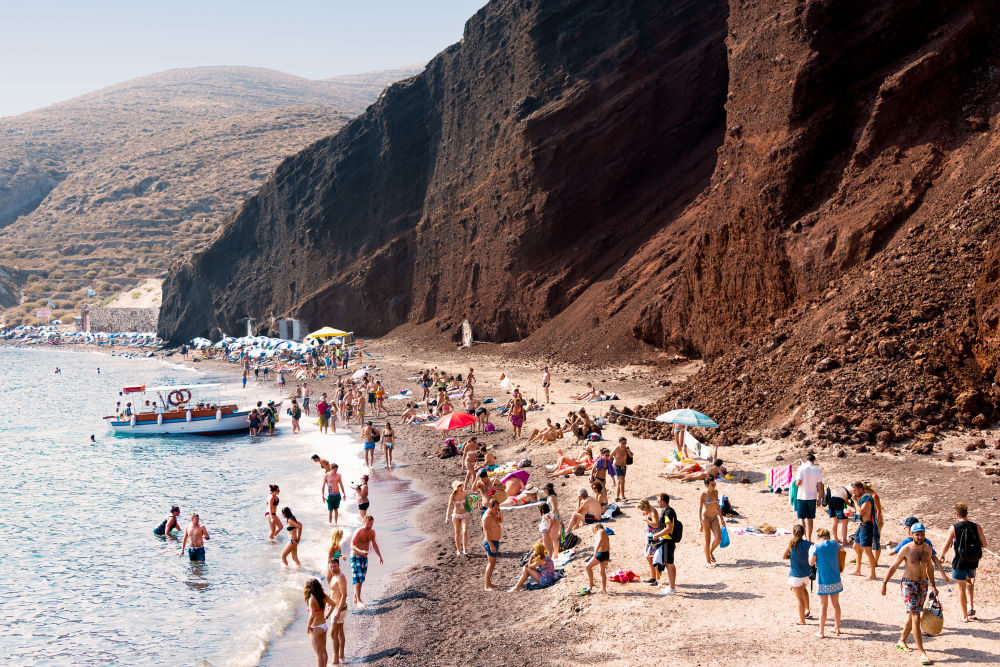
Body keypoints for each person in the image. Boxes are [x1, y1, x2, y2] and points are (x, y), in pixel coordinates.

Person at [881, 522, 937, 662]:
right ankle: (922, 653)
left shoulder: (928, 549)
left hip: (923, 585)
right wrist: (884, 583)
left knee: (913, 615)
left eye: (922, 534)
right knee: (916, 615)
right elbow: (894, 566)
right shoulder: (906, 549)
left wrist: (933, 585)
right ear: (912, 535)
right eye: (917, 534)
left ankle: (901, 640)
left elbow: (930, 568)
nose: (920, 537)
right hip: (909, 585)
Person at [941, 502, 988, 623]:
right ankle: (971, 608)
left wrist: (942, 555)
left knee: (960, 588)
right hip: (972, 560)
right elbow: (984, 544)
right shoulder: (976, 526)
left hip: (960, 561)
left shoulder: (954, 528)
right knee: (969, 582)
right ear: (967, 513)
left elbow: (946, 545)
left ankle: (964, 616)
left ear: (956, 514)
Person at [891, 517, 950, 583]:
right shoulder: (927, 542)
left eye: (906, 527)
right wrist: (943, 575)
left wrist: (888, 546)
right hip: (924, 578)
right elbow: (934, 558)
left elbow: (890, 553)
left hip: (910, 579)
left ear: (910, 529)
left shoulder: (905, 542)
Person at [809, 528, 843, 638]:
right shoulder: (835, 544)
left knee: (823, 606)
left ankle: (821, 631)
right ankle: (837, 627)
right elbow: (842, 550)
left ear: (819, 537)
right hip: (835, 578)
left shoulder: (816, 547)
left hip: (823, 580)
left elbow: (811, 562)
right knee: (836, 604)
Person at [350, 515, 383, 607]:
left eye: (371, 524)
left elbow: (374, 544)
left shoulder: (372, 532)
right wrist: (361, 551)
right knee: (358, 578)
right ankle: (359, 600)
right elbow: (351, 546)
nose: (370, 526)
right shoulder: (358, 532)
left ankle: (355, 597)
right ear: (364, 522)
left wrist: (380, 556)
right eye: (368, 524)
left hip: (364, 558)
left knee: (361, 579)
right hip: (355, 556)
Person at [783, 524, 813, 625]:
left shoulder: (791, 544)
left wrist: (792, 558)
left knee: (799, 598)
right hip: (807, 574)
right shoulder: (809, 544)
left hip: (796, 574)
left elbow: (784, 556)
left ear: (793, 533)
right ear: (803, 533)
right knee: (804, 590)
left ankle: (802, 620)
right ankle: (807, 610)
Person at [793, 453, 824, 542]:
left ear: (806, 460)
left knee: (802, 518)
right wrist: (820, 498)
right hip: (812, 496)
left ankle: (801, 538)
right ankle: (809, 538)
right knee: (810, 518)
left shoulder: (801, 468)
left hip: (801, 496)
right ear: (813, 461)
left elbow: (798, 482)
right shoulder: (817, 470)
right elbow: (820, 486)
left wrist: (794, 484)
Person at [850, 481, 877, 579]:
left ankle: (873, 574)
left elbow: (861, 511)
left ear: (861, 489)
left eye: (855, 490)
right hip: (861, 525)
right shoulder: (862, 499)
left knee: (867, 550)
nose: (854, 492)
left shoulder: (867, 498)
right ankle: (858, 570)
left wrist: (855, 501)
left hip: (867, 526)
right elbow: (858, 511)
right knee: (856, 546)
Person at [653, 493, 678, 594]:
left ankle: (671, 589)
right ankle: (672, 587)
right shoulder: (668, 511)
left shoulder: (668, 512)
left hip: (668, 540)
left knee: (669, 564)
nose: (658, 503)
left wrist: (657, 535)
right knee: (670, 564)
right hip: (667, 540)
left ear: (662, 502)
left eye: (658, 501)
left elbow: (669, 528)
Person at [303, 578, 332, 667]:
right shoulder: (323, 596)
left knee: (318, 653)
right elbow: (333, 604)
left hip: (316, 628)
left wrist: (308, 626)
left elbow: (312, 615)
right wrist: (327, 616)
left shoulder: (312, 599)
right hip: (324, 626)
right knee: (323, 651)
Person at [699, 478, 724, 567]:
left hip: (714, 517)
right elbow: (700, 508)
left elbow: (717, 507)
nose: (714, 486)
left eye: (715, 484)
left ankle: (710, 552)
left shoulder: (716, 492)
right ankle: (707, 562)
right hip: (705, 518)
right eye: (712, 485)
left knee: (718, 539)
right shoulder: (703, 494)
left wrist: (722, 519)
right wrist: (700, 523)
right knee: (707, 540)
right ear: (707, 485)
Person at [327, 558, 348, 664]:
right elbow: (332, 592)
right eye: (330, 566)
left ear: (338, 565)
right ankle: (341, 654)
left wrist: (338, 611)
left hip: (340, 608)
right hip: (336, 607)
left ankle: (336, 658)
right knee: (339, 631)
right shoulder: (333, 576)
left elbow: (344, 595)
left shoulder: (340, 577)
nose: (332, 568)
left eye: (334, 566)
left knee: (333, 633)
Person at [446, 481, 474, 556]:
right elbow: (449, 506)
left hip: (465, 514)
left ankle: (464, 549)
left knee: (465, 532)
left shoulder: (465, 493)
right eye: (459, 485)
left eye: (461, 485)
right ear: (456, 487)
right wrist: (447, 518)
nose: (461, 486)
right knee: (457, 533)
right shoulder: (453, 495)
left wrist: (471, 500)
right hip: (456, 516)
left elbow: (470, 501)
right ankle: (458, 549)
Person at [637, 499, 661, 585]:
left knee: (655, 558)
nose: (642, 510)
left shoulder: (653, 512)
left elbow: (655, 524)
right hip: (650, 537)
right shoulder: (648, 511)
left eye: (642, 508)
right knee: (649, 557)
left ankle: (658, 579)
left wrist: (646, 519)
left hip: (655, 538)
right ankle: (653, 577)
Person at [482, 499, 503, 590]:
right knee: (490, 563)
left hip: (495, 541)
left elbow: (501, 521)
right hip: (490, 542)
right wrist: (491, 545)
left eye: (498, 508)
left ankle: (489, 582)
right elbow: (485, 531)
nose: (497, 510)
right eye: (495, 508)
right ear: (490, 507)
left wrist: (499, 513)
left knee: (493, 563)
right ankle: (487, 585)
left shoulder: (494, 513)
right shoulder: (487, 517)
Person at [583, 524, 611, 594]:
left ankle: (591, 583)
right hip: (606, 553)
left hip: (600, 554)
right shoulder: (605, 534)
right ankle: (603, 589)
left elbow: (600, 541)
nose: (594, 533)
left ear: (596, 528)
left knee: (588, 567)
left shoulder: (600, 531)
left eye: (594, 531)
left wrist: (595, 553)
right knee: (602, 572)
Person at [610, 437, 630, 502]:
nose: (624, 444)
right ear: (619, 443)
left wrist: (629, 452)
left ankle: (617, 497)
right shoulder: (616, 448)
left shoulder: (626, 449)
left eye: (625, 443)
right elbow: (609, 457)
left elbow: (632, 455)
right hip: (617, 467)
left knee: (620, 482)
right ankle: (623, 497)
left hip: (624, 467)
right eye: (623, 443)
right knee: (622, 481)